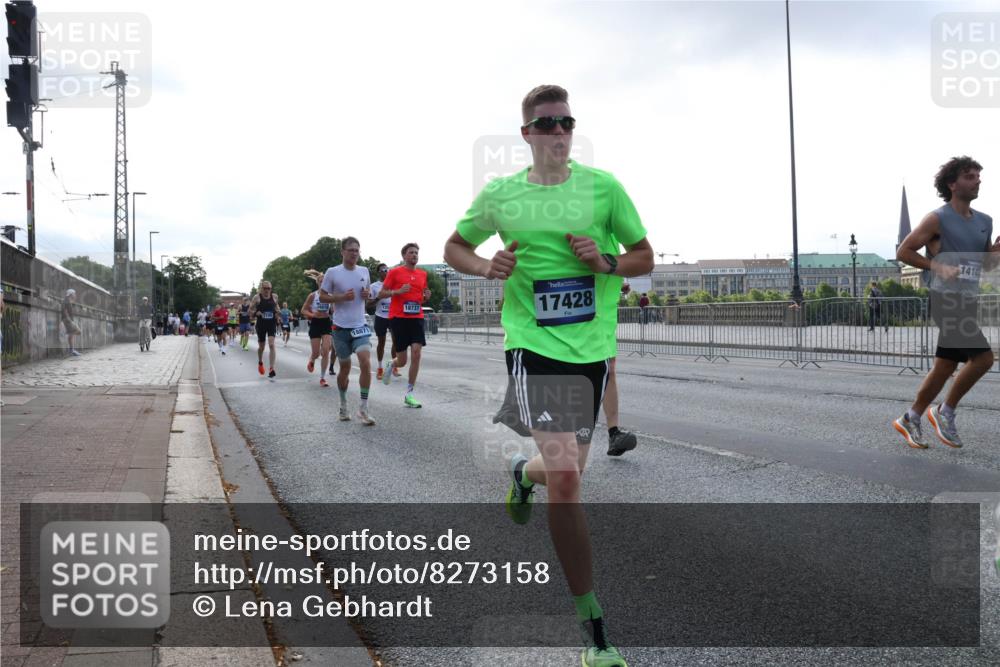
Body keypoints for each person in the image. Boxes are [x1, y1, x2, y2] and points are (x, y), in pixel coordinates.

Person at [444, 84, 653, 667]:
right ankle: (595, 631)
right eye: (547, 123)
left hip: (589, 349)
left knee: (565, 470)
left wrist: (604, 261)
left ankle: (520, 472)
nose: (559, 132)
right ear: (527, 135)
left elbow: (645, 257)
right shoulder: (502, 195)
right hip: (533, 344)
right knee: (568, 479)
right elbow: (455, 245)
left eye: (567, 122)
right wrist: (486, 265)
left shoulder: (605, 187)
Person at [894, 156, 998, 449]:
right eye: (969, 176)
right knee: (984, 359)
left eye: (978, 175)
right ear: (952, 184)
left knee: (944, 366)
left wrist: (995, 255)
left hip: (969, 298)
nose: (977, 179)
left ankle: (910, 417)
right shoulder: (937, 218)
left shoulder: (985, 222)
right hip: (945, 299)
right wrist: (937, 266)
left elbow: (985, 266)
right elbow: (904, 251)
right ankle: (944, 411)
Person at [319, 237, 376, 425]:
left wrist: (368, 295)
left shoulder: (364, 271)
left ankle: (363, 408)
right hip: (340, 328)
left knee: (366, 363)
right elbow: (322, 296)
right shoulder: (333, 272)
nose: (354, 253)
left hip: (360, 326)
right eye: (351, 250)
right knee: (345, 368)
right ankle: (343, 405)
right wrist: (342, 297)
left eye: (357, 250)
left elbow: (367, 295)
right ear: (342, 252)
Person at [379, 243, 432, 408]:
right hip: (398, 318)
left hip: (416, 317)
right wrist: (397, 292)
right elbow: (381, 293)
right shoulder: (395, 272)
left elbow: (421, 297)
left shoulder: (423, 274)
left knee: (416, 353)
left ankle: (409, 394)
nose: (414, 255)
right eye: (411, 252)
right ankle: (392, 364)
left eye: (416, 252)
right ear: (404, 256)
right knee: (402, 360)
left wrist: (426, 297)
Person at [302, 269, 335, 387]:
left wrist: (334, 312)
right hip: (315, 323)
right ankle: (312, 359)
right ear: (318, 283)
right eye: (321, 281)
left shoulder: (330, 296)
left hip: (326, 322)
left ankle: (322, 377)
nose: (323, 283)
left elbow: (334, 310)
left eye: (325, 281)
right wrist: (312, 315)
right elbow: (303, 310)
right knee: (316, 353)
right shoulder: (312, 295)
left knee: (326, 350)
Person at [368, 263, 397, 380]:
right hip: (380, 317)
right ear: (379, 272)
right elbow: (368, 304)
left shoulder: (394, 285)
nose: (386, 272)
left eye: (387, 269)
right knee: (382, 342)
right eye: (383, 270)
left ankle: (394, 366)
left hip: (393, 316)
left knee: (397, 342)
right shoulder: (374, 286)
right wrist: (378, 298)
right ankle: (380, 368)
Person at [250, 281, 281, 378]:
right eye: (265, 288)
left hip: (271, 323)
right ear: (261, 288)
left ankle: (271, 368)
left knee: (271, 344)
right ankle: (260, 362)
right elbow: (250, 310)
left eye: (269, 288)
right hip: (261, 324)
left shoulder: (274, 297)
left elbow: (277, 307)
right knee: (262, 347)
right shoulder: (257, 297)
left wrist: (278, 313)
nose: (267, 290)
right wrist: (256, 313)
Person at [61, 288, 82, 356]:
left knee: (72, 334)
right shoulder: (66, 301)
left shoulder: (68, 300)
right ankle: (71, 349)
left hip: (68, 320)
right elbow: (64, 310)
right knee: (78, 331)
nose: (75, 295)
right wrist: (69, 319)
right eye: (74, 294)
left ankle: (71, 350)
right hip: (68, 320)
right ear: (71, 294)